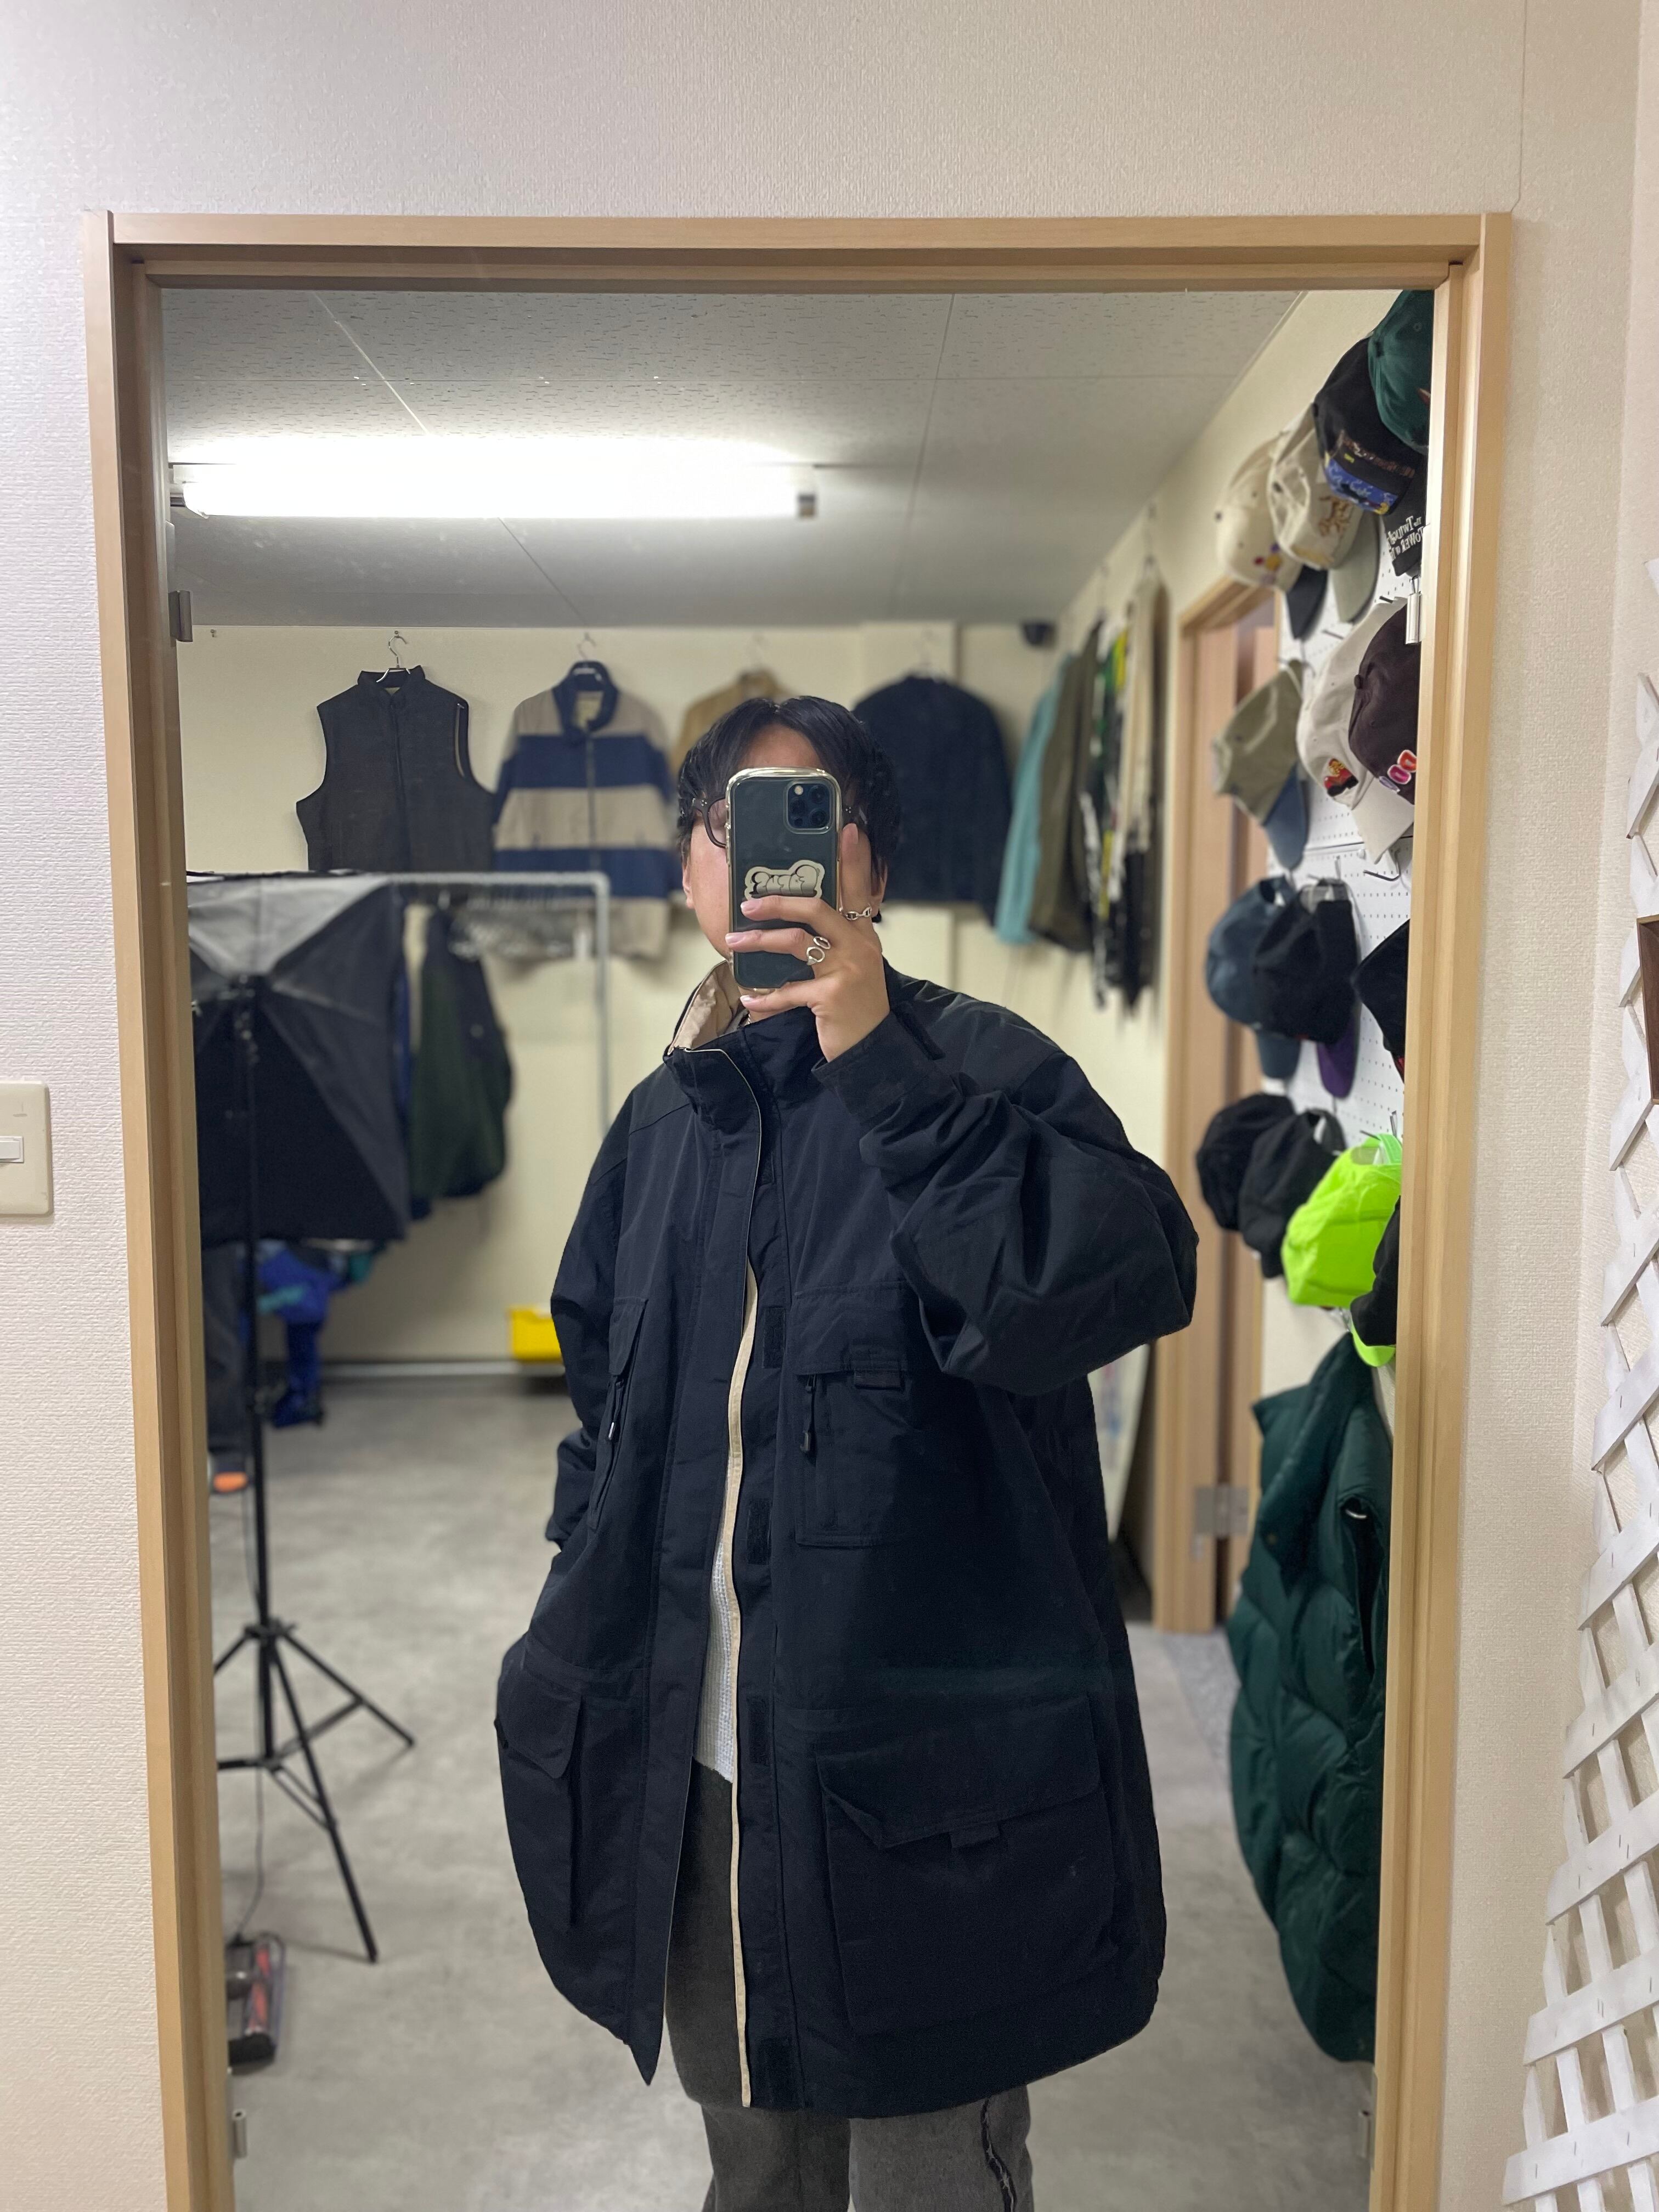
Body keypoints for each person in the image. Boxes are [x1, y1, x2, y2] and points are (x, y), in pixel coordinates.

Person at [496, 696, 1198, 2211]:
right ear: (693, 866)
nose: (767, 862)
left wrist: (884, 1070)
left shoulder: (981, 1067)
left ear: (867, 863)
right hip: (702, 1766)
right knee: (753, 2155)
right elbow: (605, 1402)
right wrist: (577, 1606)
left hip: (925, 1788)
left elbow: (1119, 1278)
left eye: (811, 821)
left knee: (927, 2174)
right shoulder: (661, 1122)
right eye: (732, 823)